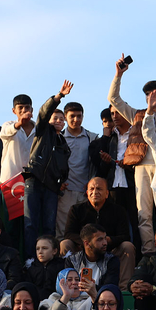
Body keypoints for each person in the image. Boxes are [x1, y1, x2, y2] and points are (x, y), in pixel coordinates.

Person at [108, 58, 156, 257]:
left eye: (154, 93)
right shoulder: (137, 115)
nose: (151, 97)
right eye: (147, 94)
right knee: (144, 214)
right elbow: (113, 99)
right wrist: (119, 75)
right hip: (141, 166)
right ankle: (148, 253)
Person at [23, 82, 73, 251]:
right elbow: (43, 112)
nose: (58, 121)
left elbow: (64, 167)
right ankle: (30, 259)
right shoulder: (43, 131)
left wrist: (61, 181)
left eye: (61, 119)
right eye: (55, 118)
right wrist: (59, 95)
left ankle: (49, 258)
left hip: (51, 187)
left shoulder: (64, 144)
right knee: (30, 224)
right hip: (34, 180)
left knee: (49, 227)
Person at [61, 178, 136, 288]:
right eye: (91, 189)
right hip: (84, 249)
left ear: (107, 194)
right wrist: (89, 242)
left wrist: (107, 240)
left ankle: (123, 289)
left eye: (99, 189)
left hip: (109, 250)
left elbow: (124, 236)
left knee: (128, 247)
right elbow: (69, 234)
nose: (95, 192)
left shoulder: (118, 210)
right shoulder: (76, 209)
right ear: (87, 193)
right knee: (65, 244)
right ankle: (69, 287)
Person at [57, 99, 100, 240]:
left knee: (88, 231)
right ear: (65, 118)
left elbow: (96, 164)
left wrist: (91, 185)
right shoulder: (59, 138)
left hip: (86, 191)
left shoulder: (92, 138)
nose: (76, 119)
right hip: (65, 192)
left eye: (79, 116)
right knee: (63, 231)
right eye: (72, 116)